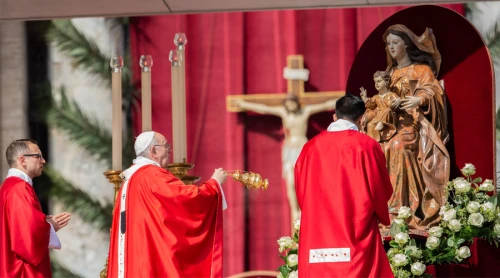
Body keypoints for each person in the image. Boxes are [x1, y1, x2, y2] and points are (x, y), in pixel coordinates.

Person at [294, 94, 393, 277]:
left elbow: (301, 192)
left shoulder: (310, 148)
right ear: (362, 119)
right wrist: (381, 214)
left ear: (334, 117)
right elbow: (380, 188)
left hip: (318, 234)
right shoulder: (367, 146)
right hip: (355, 231)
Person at [107, 131, 228, 278]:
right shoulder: (153, 175)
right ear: (153, 151)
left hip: (132, 264)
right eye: (166, 147)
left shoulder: (129, 181)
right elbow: (186, 200)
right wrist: (214, 185)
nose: (170, 151)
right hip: (148, 266)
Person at [383, 24, 450, 229]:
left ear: (406, 45)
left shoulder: (422, 70)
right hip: (389, 125)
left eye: (395, 42)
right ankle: (383, 208)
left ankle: (405, 207)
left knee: (398, 146)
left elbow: (434, 92)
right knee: (376, 148)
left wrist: (417, 100)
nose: (391, 47)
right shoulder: (390, 73)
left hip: (413, 127)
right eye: (388, 44)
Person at [235, 96, 336, 222]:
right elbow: (264, 109)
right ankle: (295, 210)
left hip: (301, 147)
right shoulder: (283, 113)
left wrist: (344, 99)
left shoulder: (305, 112)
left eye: (292, 103)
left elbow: (326, 105)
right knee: (290, 182)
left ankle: (304, 208)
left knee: (303, 180)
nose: (290, 106)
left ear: (296, 103)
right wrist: (244, 104)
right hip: (289, 150)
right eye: (288, 104)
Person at [0, 139, 71, 277]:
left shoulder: (9, 186)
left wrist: (43, 222)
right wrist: (48, 227)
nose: (43, 160)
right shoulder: (19, 188)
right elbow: (25, 236)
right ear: (22, 160)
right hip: (23, 270)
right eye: (38, 156)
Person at [360, 70, 401, 145]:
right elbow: (371, 106)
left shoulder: (391, 94)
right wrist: (365, 99)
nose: (376, 84)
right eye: (375, 82)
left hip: (390, 118)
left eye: (379, 81)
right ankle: (374, 143)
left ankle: (382, 124)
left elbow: (398, 103)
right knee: (370, 125)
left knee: (388, 110)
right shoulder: (376, 97)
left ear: (386, 82)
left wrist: (398, 101)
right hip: (378, 117)